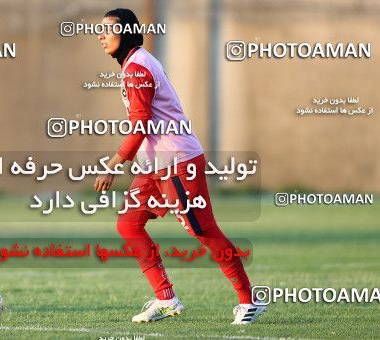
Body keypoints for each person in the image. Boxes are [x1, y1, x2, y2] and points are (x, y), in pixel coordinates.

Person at [94, 8, 265, 324]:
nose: (101, 36)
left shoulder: (137, 67)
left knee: (204, 231)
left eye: (108, 29)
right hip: (156, 165)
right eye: (99, 30)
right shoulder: (136, 62)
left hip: (177, 163)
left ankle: (249, 301)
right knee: (128, 225)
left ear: (127, 32)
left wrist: (114, 162)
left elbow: (141, 123)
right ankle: (166, 298)